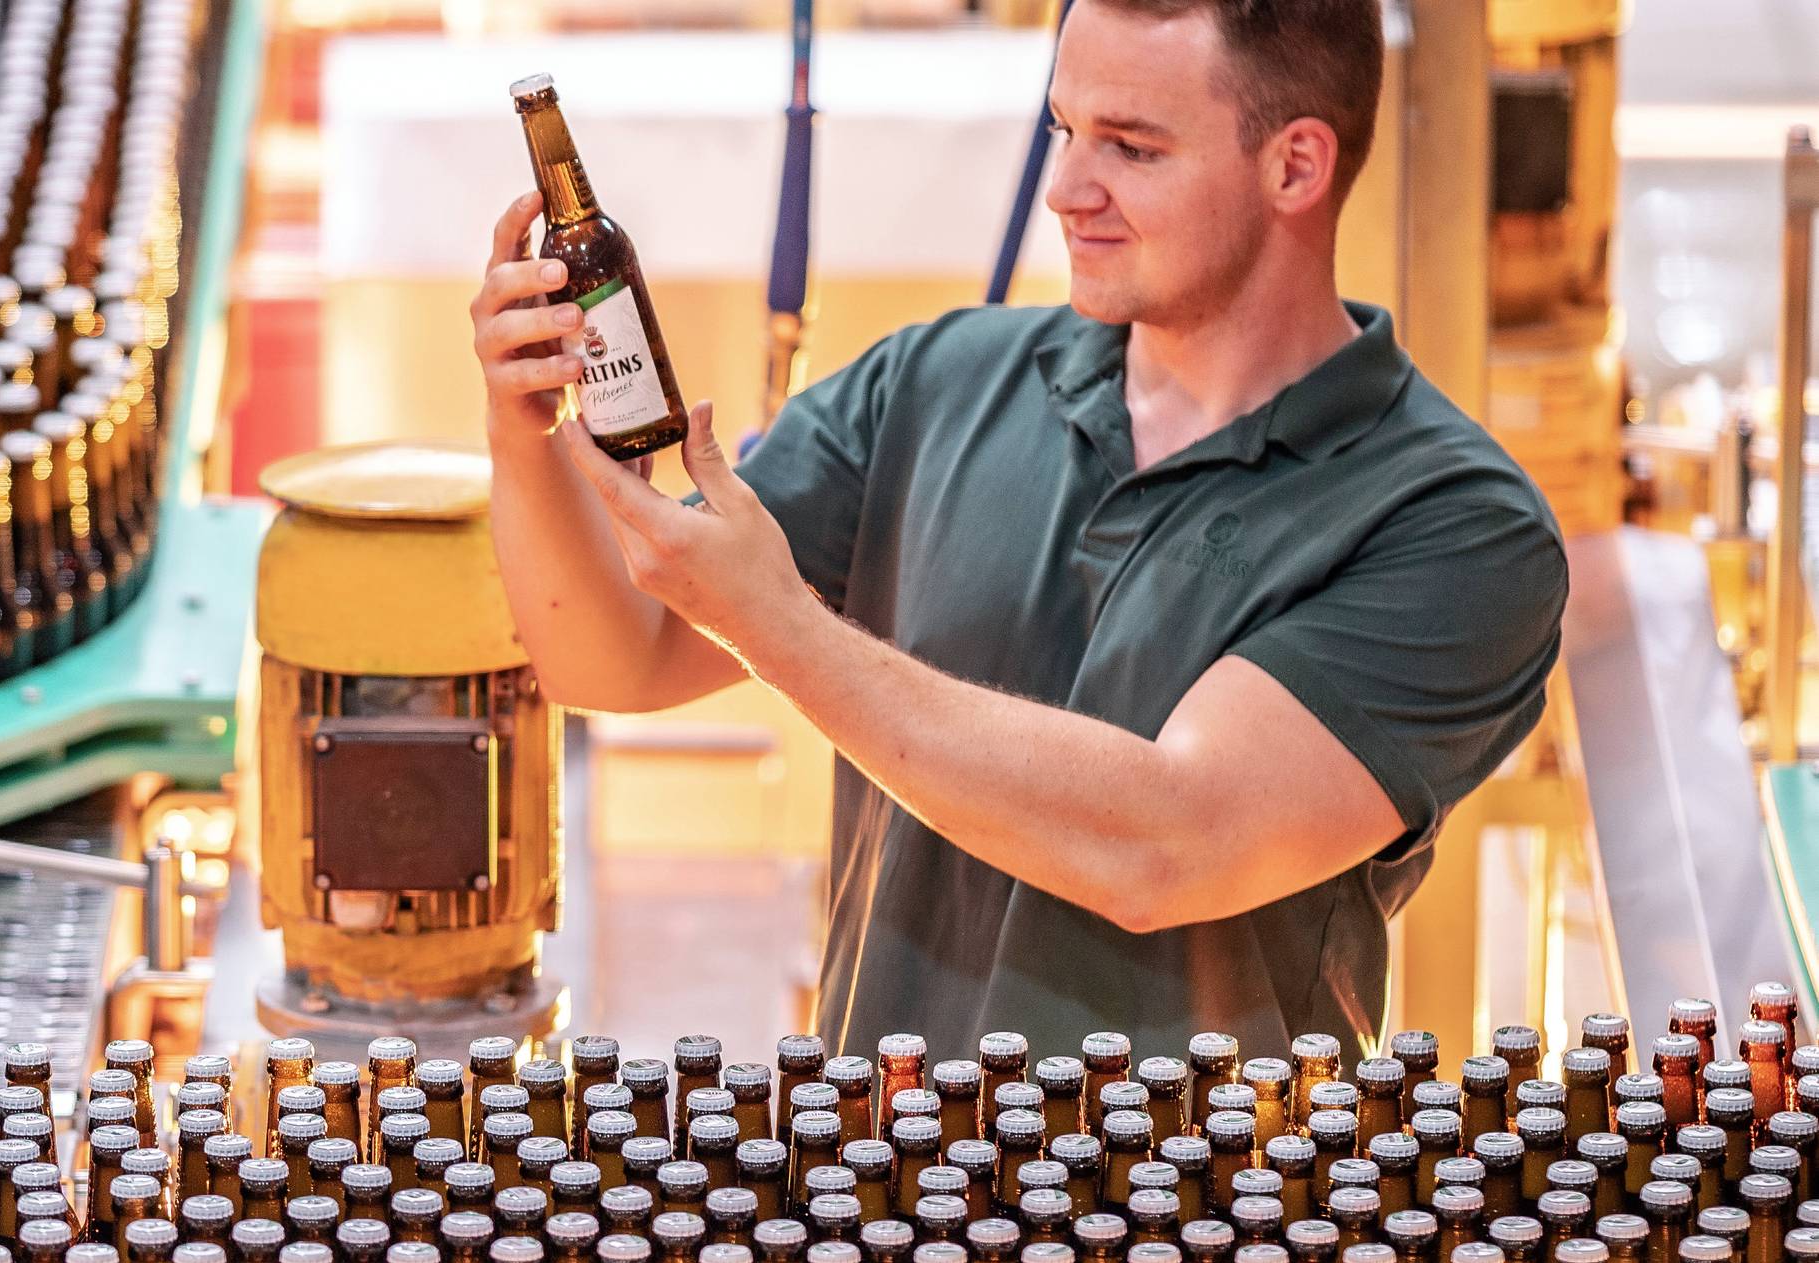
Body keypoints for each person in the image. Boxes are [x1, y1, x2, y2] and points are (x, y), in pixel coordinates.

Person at [471, 0, 1566, 1056]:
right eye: (1064, 129)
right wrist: (525, 431)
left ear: (1296, 165)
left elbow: (1166, 842)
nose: (1065, 190)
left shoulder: (1455, 527)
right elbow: (607, 655)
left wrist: (781, 625)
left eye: (1131, 148)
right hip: (886, 1190)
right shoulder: (935, 385)